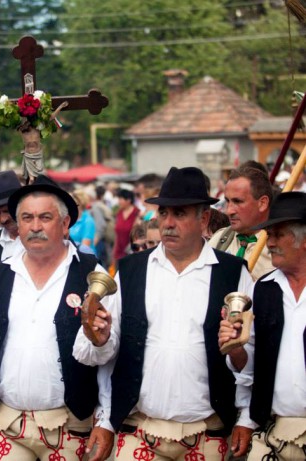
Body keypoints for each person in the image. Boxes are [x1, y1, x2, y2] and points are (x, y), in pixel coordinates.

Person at [74, 166, 254, 461]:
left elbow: (251, 354)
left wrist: (246, 417)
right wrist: (106, 418)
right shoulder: (130, 270)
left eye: (180, 214)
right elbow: (108, 356)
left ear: (204, 218)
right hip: (139, 429)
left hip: (207, 432)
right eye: (163, 213)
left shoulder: (233, 274)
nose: (168, 223)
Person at [0, 175, 104, 461]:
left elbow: (109, 355)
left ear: (65, 224)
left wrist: (107, 420)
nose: (35, 227)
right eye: (27, 218)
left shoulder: (92, 274)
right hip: (7, 422)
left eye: (44, 217)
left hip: (69, 425)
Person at [219, 191, 306, 461]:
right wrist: (235, 348)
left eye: (277, 235)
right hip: (272, 429)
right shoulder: (263, 289)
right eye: (269, 235)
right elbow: (250, 366)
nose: (269, 244)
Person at [208, 165, 275, 280]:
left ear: (262, 203)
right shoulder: (219, 240)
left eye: (237, 201)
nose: (229, 211)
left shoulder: (281, 247)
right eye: (227, 201)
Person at [112, 189, 139, 265]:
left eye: (121, 199)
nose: (119, 202)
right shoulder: (119, 213)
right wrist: (114, 252)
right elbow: (117, 235)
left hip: (132, 252)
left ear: (128, 200)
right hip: (119, 251)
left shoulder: (137, 213)